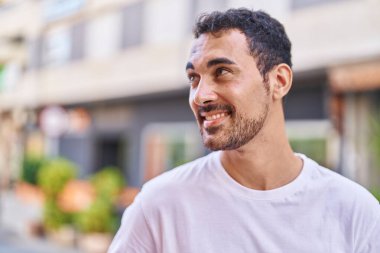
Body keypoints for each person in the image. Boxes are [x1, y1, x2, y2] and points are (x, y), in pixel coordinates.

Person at [108, 8, 380, 253]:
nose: (200, 96)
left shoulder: (355, 212)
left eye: (222, 72)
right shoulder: (159, 206)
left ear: (279, 81)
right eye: (194, 78)